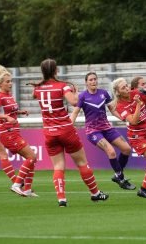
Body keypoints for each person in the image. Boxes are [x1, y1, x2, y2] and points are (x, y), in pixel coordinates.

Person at [31, 58, 109, 207]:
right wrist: (76, 93)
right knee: (81, 163)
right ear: (55, 71)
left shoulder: (38, 89)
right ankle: (95, 193)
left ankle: (61, 199)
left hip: (49, 132)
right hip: (65, 130)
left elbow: (35, 95)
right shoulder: (62, 87)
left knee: (58, 166)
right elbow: (74, 102)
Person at [70, 72, 135, 190]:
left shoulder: (103, 93)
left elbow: (112, 109)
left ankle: (118, 175)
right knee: (111, 152)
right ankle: (121, 178)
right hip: (93, 131)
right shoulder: (83, 96)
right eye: (90, 80)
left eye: (95, 79)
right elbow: (75, 112)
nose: (93, 81)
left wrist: (123, 118)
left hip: (107, 128)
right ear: (86, 82)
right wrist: (69, 126)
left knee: (126, 149)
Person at [0, 62, 37, 197]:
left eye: (11, 81)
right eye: (8, 82)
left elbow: (10, 111)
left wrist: (20, 112)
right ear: (0, 84)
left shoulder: (9, 95)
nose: (10, 84)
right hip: (7, 134)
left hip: (14, 132)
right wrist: (5, 117)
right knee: (32, 156)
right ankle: (16, 185)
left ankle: (27, 189)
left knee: (31, 158)